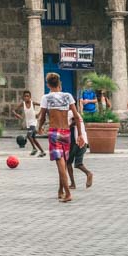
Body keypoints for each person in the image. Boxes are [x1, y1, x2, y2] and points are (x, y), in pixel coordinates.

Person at [37, 72, 81, 204]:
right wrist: (79, 135)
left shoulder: (46, 97)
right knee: (63, 163)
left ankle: (67, 193)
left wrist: (39, 127)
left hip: (54, 132)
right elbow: (77, 116)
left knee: (60, 164)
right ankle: (60, 190)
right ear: (59, 83)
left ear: (48, 84)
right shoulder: (68, 96)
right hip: (66, 132)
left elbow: (43, 116)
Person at [68, 110, 94, 189]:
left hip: (77, 141)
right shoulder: (76, 113)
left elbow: (75, 122)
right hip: (83, 141)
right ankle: (88, 173)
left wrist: (66, 127)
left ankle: (73, 183)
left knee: (68, 163)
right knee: (78, 163)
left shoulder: (70, 112)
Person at [17, 90, 46, 157]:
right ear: (23, 97)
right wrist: (17, 115)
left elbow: (42, 106)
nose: (26, 97)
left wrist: (39, 114)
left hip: (34, 122)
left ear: (30, 97)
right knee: (33, 138)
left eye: (28, 96)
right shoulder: (23, 104)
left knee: (29, 135)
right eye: (25, 96)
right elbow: (13, 110)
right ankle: (42, 151)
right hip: (28, 123)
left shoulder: (33, 103)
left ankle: (34, 149)